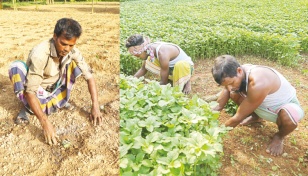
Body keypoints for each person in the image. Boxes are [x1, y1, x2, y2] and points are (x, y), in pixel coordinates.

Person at [8, 18, 103, 145]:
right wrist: (45, 123)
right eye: (63, 44)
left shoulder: (72, 51)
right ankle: (28, 108)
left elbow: (89, 76)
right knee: (16, 67)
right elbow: (30, 91)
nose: (67, 49)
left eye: (71, 45)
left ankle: (54, 101)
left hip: (55, 88)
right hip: (37, 92)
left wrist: (95, 105)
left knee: (75, 65)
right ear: (54, 37)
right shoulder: (40, 53)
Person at [211, 55, 304, 156]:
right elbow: (223, 96)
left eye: (232, 83)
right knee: (234, 92)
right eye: (226, 85)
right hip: (261, 104)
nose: (229, 87)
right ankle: (256, 117)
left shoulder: (258, 82)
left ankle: (279, 136)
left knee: (288, 117)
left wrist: (215, 134)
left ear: (239, 71)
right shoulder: (235, 73)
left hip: (281, 108)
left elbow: (238, 117)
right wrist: (210, 113)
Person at [125, 34, 194, 94]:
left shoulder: (162, 53)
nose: (135, 56)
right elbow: (143, 69)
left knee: (180, 65)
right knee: (148, 60)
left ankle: (186, 81)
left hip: (185, 68)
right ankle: (174, 79)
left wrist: (152, 90)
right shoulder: (150, 49)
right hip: (171, 68)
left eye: (135, 54)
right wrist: (129, 81)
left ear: (142, 50)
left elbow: (164, 82)